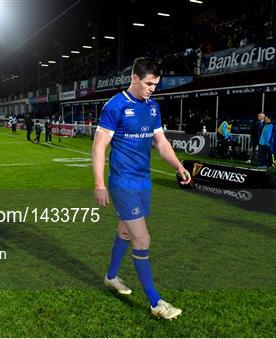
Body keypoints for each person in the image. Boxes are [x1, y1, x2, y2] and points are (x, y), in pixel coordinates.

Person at [92, 57, 191, 320]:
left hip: (143, 182)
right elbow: (99, 146)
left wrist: (178, 166)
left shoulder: (153, 107)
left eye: (156, 85)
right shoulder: (115, 106)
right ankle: (156, 302)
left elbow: (161, 143)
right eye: (148, 83)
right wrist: (100, 183)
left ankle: (111, 277)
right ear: (134, 77)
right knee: (142, 238)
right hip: (122, 183)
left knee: (125, 230)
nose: (152, 89)